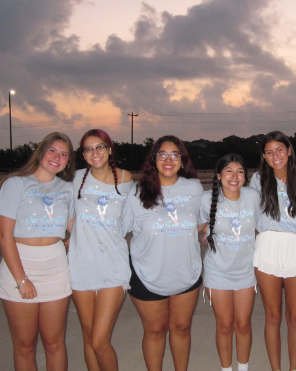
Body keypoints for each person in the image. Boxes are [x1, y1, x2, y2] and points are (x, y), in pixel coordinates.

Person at [0, 132, 75, 371]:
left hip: (56, 267)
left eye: (63, 154)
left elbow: (73, 226)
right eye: (52, 151)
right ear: (41, 152)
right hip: (20, 265)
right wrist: (21, 279)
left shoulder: (66, 188)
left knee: (54, 343)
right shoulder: (16, 183)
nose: (57, 158)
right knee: (25, 345)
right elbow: (4, 235)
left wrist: (77, 238)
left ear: (68, 161)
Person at [123, 135, 203, 371]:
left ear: (182, 160)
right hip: (146, 273)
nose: (168, 160)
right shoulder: (137, 192)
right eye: (162, 154)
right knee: (155, 331)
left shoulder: (194, 188)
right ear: (154, 159)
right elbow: (119, 229)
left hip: (185, 271)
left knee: (181, 329)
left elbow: (204, 219)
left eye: (174, 155)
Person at [67, 129, 133, 371]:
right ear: (83, 153)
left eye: (100, 147)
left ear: (110, 149)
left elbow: (129, 221)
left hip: (113, 264)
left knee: (99, 340)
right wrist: (75, 235)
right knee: (88, 335)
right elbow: (68, 214)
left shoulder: (126, 179)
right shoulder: (75, 178)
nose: (95, 153)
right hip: (81, 264)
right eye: (88, 148)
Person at [249, 131, 296, 371]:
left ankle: (293, 368)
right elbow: (242, 208)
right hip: (267, 247)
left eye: (280, 150)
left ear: (289, 150)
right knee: (272, 317)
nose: (275, 156)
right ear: (264, 156)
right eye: (269, 152)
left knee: (294, 318)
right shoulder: (257, 180)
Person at [198, 154, 261, 371]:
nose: (234, 176)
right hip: (217, 272)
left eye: (240, 171)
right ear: (219, 175)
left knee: (242, 325)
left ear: (246, 176)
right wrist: (205, 231)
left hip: (245, 271)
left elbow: (264, 224)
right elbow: (197, 225)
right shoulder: (207, 199)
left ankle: (243, 368)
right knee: (224, 326)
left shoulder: (253, 196)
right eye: (229, 170)